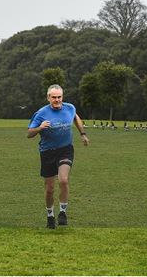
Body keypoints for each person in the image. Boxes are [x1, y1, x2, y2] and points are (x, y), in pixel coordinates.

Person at [27, 84, 89, 229]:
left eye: (59, 97)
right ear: (48, 98)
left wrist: (83, 134)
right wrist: (40, 128)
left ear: (62, 97)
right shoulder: (41, 113)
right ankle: (50, 215)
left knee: (63, 179)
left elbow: (76, 117)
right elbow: (29, 133)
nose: (57, 100)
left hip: (65, 150)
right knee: (49, 189)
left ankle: (62, 213)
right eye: (53, 97)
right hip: (47, 152)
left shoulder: (69, 108)